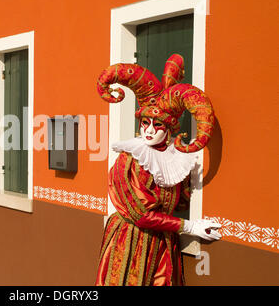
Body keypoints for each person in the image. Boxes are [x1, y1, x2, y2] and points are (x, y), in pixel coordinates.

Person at [95, 54, 221, 286]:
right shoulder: (130, 159)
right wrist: (190, 226)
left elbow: (179, 202)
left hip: (162, 244)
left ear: (170, 128)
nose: (149, 130)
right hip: (130, 242)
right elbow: (140, 215)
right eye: (145, 123)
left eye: (158, 124)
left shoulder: (175, 159)